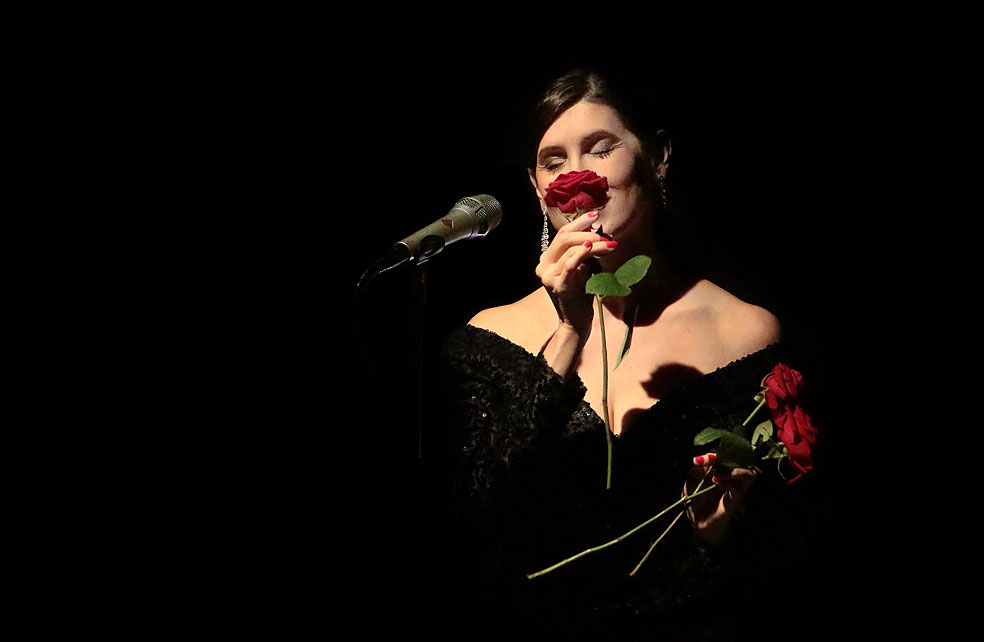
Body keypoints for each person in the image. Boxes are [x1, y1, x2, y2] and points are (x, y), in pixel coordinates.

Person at [438, 68, 819, 642]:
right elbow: (475, 525)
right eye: (553, 161)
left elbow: (793, 549)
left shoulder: (744, 330)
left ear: (657, 157)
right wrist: (570, 328)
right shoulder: (489, 334)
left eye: (601, 148)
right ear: (535, 187)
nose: (578, 176)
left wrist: (722, 532)